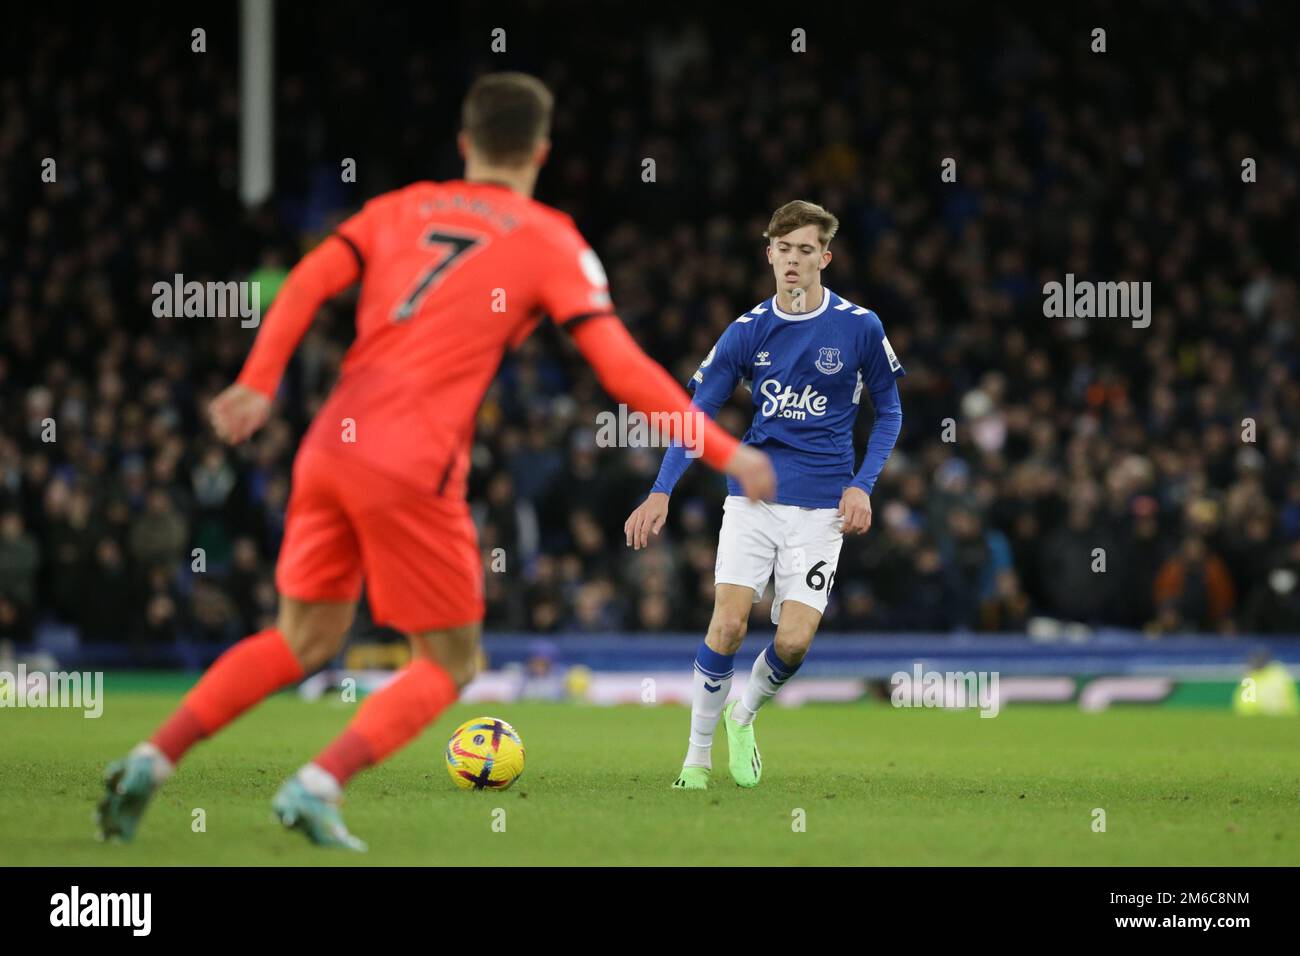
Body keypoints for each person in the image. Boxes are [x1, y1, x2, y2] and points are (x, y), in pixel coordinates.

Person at [97, 72, 774, 850]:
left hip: (328, 447)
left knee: (303, 640)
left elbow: (307, 280)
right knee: (450, 661)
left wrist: (258, 383)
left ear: (465, 144)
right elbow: (620, 369)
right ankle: (318, 785)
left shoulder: (399, 208)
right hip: (412, 463)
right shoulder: (548, 237)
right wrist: (725, 449)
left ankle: (153, 757)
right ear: (541, 151)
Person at [624, 200, 903, 789]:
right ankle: (695, 761)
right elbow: (696, 415)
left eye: (806, 249)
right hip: (752, 499)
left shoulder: (860, 327)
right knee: (726, 625)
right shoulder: (747, 331)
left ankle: (743, 712)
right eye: (784, 248)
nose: (794, 260)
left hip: (823, 505)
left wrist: (862, 485)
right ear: (769, 253)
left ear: (825, 257)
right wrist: (661, 490)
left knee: (795, 642)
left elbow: (890, 412)